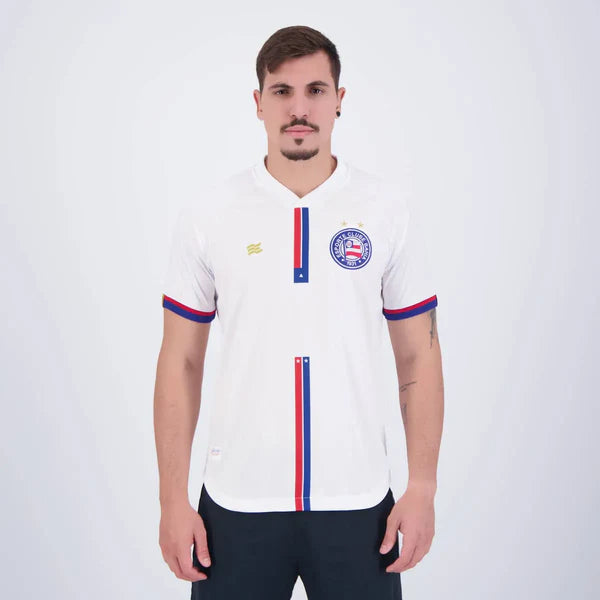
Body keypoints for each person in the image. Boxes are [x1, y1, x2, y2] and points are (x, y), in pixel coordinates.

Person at [154, 24, 444, 600]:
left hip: (359, 503)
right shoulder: (210, 215)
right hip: (236, 504)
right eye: (282, 91)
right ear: (258, 102)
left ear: (339, 100)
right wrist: (171, 500)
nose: (299, 109)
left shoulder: (387, 211)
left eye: (315, 90)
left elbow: (418, 355)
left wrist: (423, 487)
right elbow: (180, 361)